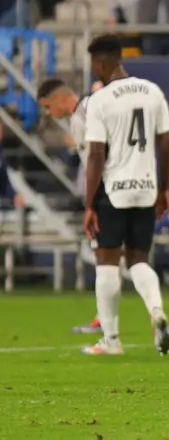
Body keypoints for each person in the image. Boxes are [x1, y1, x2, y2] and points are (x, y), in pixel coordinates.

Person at [80, 34, 169, 356]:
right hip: (146, 188)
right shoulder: (152, 92)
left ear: (101, 63)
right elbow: (165, 144)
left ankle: (111, 340)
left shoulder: (100, 100)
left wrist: (89, 203)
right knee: (138, 260)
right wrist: (163, 188)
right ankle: (156, 310)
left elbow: (95, 155)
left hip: (114, 190)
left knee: (106, 263)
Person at [35, 78, 113, 335]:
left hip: (107, 196)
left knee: (110, 259)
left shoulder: (83, 116)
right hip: (110, 194)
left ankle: (112, 321)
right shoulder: (87, 112)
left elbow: (96, 163)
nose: (49, 114)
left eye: (48, 107)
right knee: (114, 259)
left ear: (58, 100)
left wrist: (92, 203)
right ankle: (109, 317)